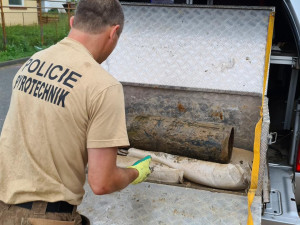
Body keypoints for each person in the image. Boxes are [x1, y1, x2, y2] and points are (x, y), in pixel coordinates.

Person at [0, 0, 152, 224]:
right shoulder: (103, 86)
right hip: (44, 216)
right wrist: (135, 173)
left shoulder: (32, 63)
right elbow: (102, 182)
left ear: (72, 22)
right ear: (114, 32)